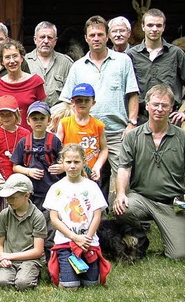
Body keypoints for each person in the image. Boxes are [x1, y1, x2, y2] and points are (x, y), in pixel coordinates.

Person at [59, 15, 139, 200]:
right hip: (86, 133)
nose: (96, 38)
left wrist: (132, 123)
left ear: (108, 36)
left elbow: (133, 93)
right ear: (86, 38)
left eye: (100, 34)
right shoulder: (78, 67)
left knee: (121, 177)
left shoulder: (123, 61)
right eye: (92, 35)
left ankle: (118, 217)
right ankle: (87, 217)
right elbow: (67, 101)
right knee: (85, 176)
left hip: (117, 131)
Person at [114, 84, 185, 259]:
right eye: (155, 104)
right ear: (146, 106)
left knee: (179, 254)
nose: (159, 109)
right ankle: (140, 238)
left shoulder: (183, 137)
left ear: (171, 108)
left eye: (164, 105)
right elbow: (124, 168)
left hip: (172, 204)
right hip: (141, 199)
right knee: (122, 208)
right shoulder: (133, 136)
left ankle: (172, 232)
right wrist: (121, 193)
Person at [44, 143, 111, 289]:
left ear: (84, 163)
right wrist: (74, 237)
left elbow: (97, 215)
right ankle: (66, 274)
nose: (72, 166)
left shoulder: (92, 187)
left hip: (89, 243)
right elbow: (54, 218)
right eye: (68, 162)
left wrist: (87, 238)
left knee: (91, 285)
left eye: (76, 162)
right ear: (62, 163)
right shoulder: (56, 188)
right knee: (71, 286)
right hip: (66, 243)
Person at [10, 101, 64, 258]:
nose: (38, 121)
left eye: (42, 118)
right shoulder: (23, 143)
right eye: (35, 118)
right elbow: (15, 166)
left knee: (52, 225)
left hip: (52, 192)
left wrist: (60, 167)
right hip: (31, 194)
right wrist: (28, 171)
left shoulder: (54, 141)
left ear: (49, 120)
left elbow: (64, 162)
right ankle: (31, 254)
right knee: (32, 224)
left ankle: (51, 257)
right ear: (28, 121)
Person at [126, 8, 185, 125]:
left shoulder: (176, 54)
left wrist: (184, 113)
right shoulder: (131, 55)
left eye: (158, 25)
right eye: (150, 25)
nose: (154, 29)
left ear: (163, 27)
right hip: (140, 120)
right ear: (143, 27)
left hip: (170, 120)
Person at [0, 174, 47, 291]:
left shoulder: (37, 216)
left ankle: (32, 275)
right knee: (2, 282)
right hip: (9, 261)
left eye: (13, 197)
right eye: (7, 197)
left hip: (30, 260)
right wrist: (2, 257)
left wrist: (9, 255)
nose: (8, 201)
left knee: (23, 284)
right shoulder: (4, 214)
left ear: (26, 196)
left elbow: (38, 251)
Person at [0, 39, 46, 131]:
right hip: (4, 140)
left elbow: (43, 113)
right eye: (7, 57)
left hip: (30, 140)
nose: (12, 61)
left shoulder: (35, 81)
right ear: (2, 61)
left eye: (15, 56)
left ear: (22, 58)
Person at [56, 83, 108, 183]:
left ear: (93, 102)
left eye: (87, 100)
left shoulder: (99, 125)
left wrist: (97, 166)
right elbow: (57, 148)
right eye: (79, 100)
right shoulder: (64, 123)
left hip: (90, 174)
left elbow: (104, 149)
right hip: (69, 173)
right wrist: (63, 165)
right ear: (72, 102)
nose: (82, 103)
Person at [25, 21, 73, 107]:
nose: (46, 41)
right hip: (32, 115)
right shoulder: (24, 62)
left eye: (50, 38)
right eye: (42, 37)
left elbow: (72, 93)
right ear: (35, 40)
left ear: (55, 41)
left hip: (58, 116)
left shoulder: (66, 63)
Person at [0, 95, 31, 180]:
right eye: (2, 115)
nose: (5, 118)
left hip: (22, 173)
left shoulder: (26, 133)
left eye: (9, 114)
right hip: (2, 175)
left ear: (16, 114)